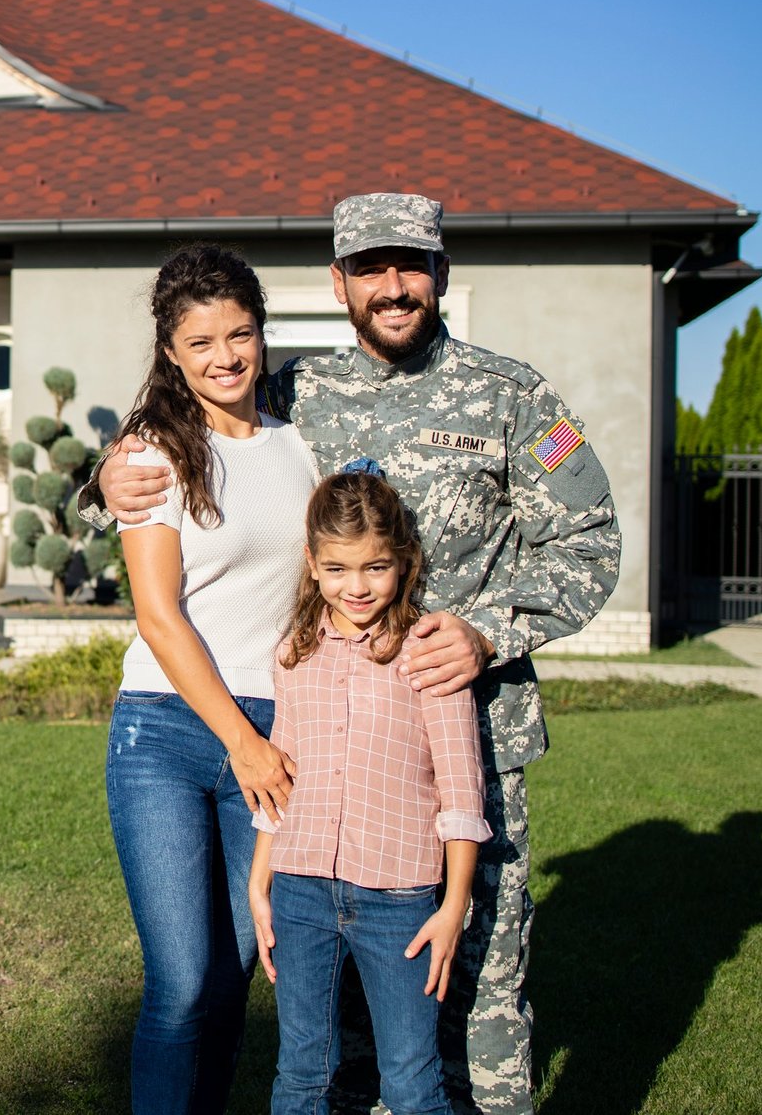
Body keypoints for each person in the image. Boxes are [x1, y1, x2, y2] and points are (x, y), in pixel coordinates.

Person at [85, 193, 621, 1115]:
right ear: (340, 284)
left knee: (481, 980)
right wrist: (102, 480)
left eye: (412, 265)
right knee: (337, 1000)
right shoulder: (298, 392)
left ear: (442, 273)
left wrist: (488, 629)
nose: (393, 286)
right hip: (334, 746)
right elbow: (183, 437)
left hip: (470, 735)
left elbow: (593, 538)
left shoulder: (515, 396)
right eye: (371, 267)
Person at [105, 241, 320, 1113]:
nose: (224, 357)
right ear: (171, 351)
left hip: (272, 729)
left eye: (239, 334)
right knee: (183, 979)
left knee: (234, 974)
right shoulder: (153, 454)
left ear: (262, 333)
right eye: (200, 342)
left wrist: (270, 740)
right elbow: (158, 616)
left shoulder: (302, 445)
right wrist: (242, 742)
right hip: (166, 730)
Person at [249, 468, 492, 1115]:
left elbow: (462, 794)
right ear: (312, 563)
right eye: (337, 568)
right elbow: (281, 777)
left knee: (411, 1083)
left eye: (375, 567)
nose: (356, 587)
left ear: (402, 561)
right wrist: (260, 880)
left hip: (400, 901)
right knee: (302, 1072)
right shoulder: (294, 653)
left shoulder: (429, 653)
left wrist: (454, 906)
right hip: (300, 890)